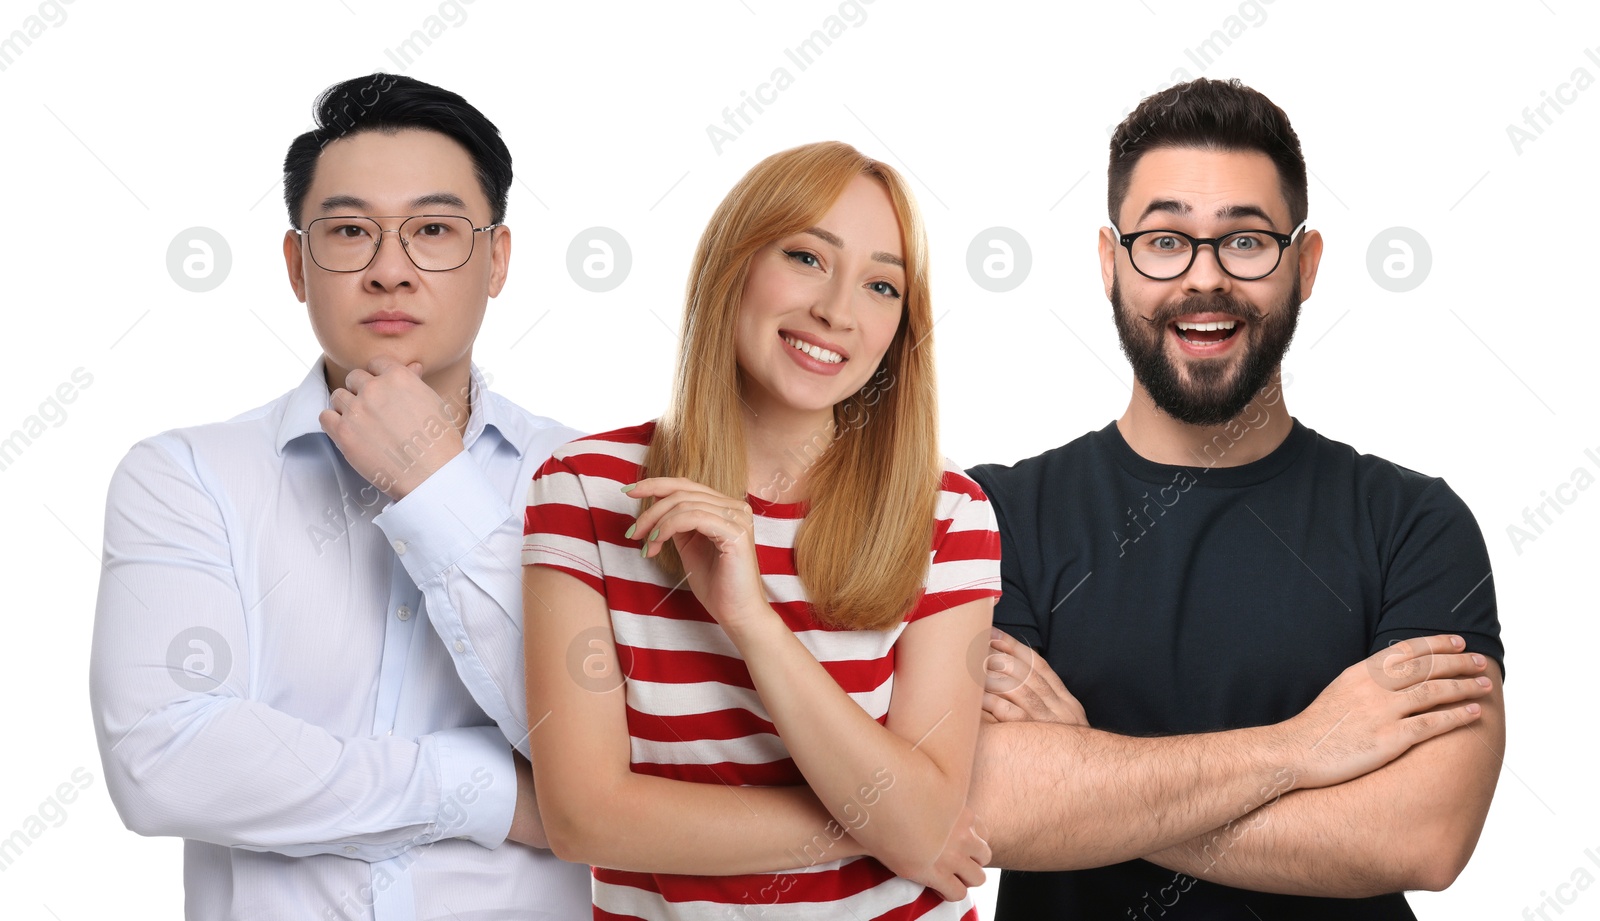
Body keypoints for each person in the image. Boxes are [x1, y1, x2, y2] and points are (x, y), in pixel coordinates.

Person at [965, 77, 1506, 919]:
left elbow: (1424, 837)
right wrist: (1302, 749)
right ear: (1110, 263)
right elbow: (988, 807)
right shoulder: (994, 517)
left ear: (1306, 264)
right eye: (1165, 240)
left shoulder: (1414, 525)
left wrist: (1083, 773)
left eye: (1247, 241)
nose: (1205, 278)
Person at [88, 74, 590, 920]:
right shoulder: (185, 476)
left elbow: (623, 743)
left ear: (496, 259)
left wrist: (435, 483)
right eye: (351, 232)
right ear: (296, 265)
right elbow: (162, 758)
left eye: (433, 230)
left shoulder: (589, 477)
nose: (390, 271)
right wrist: (495, 792)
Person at [519, 141, 999, 920]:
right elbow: (583, 818)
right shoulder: (586, 488)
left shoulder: (947, 513)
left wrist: (751, 621)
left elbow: (931, 824)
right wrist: (882, 823)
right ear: (732, 264)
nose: (838, 311)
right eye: (808, 257)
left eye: (882, 285)